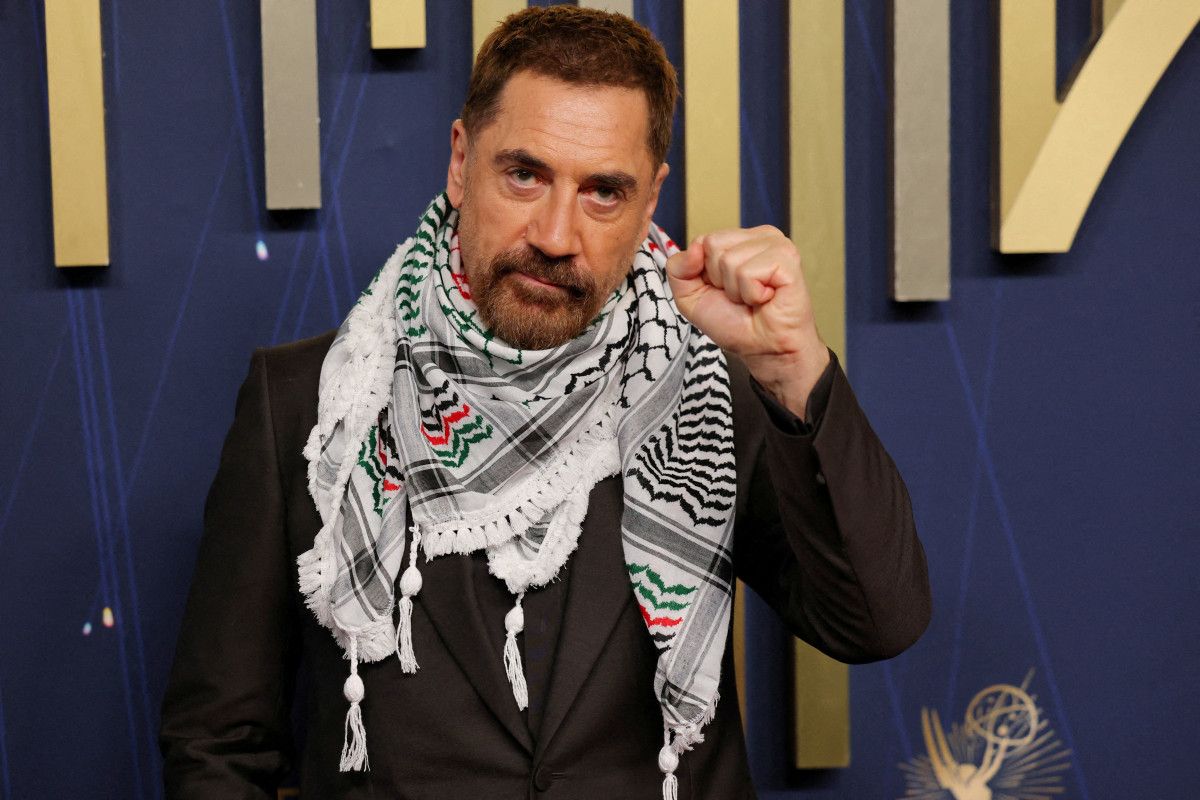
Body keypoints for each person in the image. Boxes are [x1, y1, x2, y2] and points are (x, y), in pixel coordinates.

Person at [159, 6, 930, 799]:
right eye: (525, 175)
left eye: (603, 192)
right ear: (461, 162)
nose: (557, 235)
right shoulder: (309, 402)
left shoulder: (707, 386)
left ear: (650, 201)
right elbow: (219, 743)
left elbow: (875, 622)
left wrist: (795, 370)